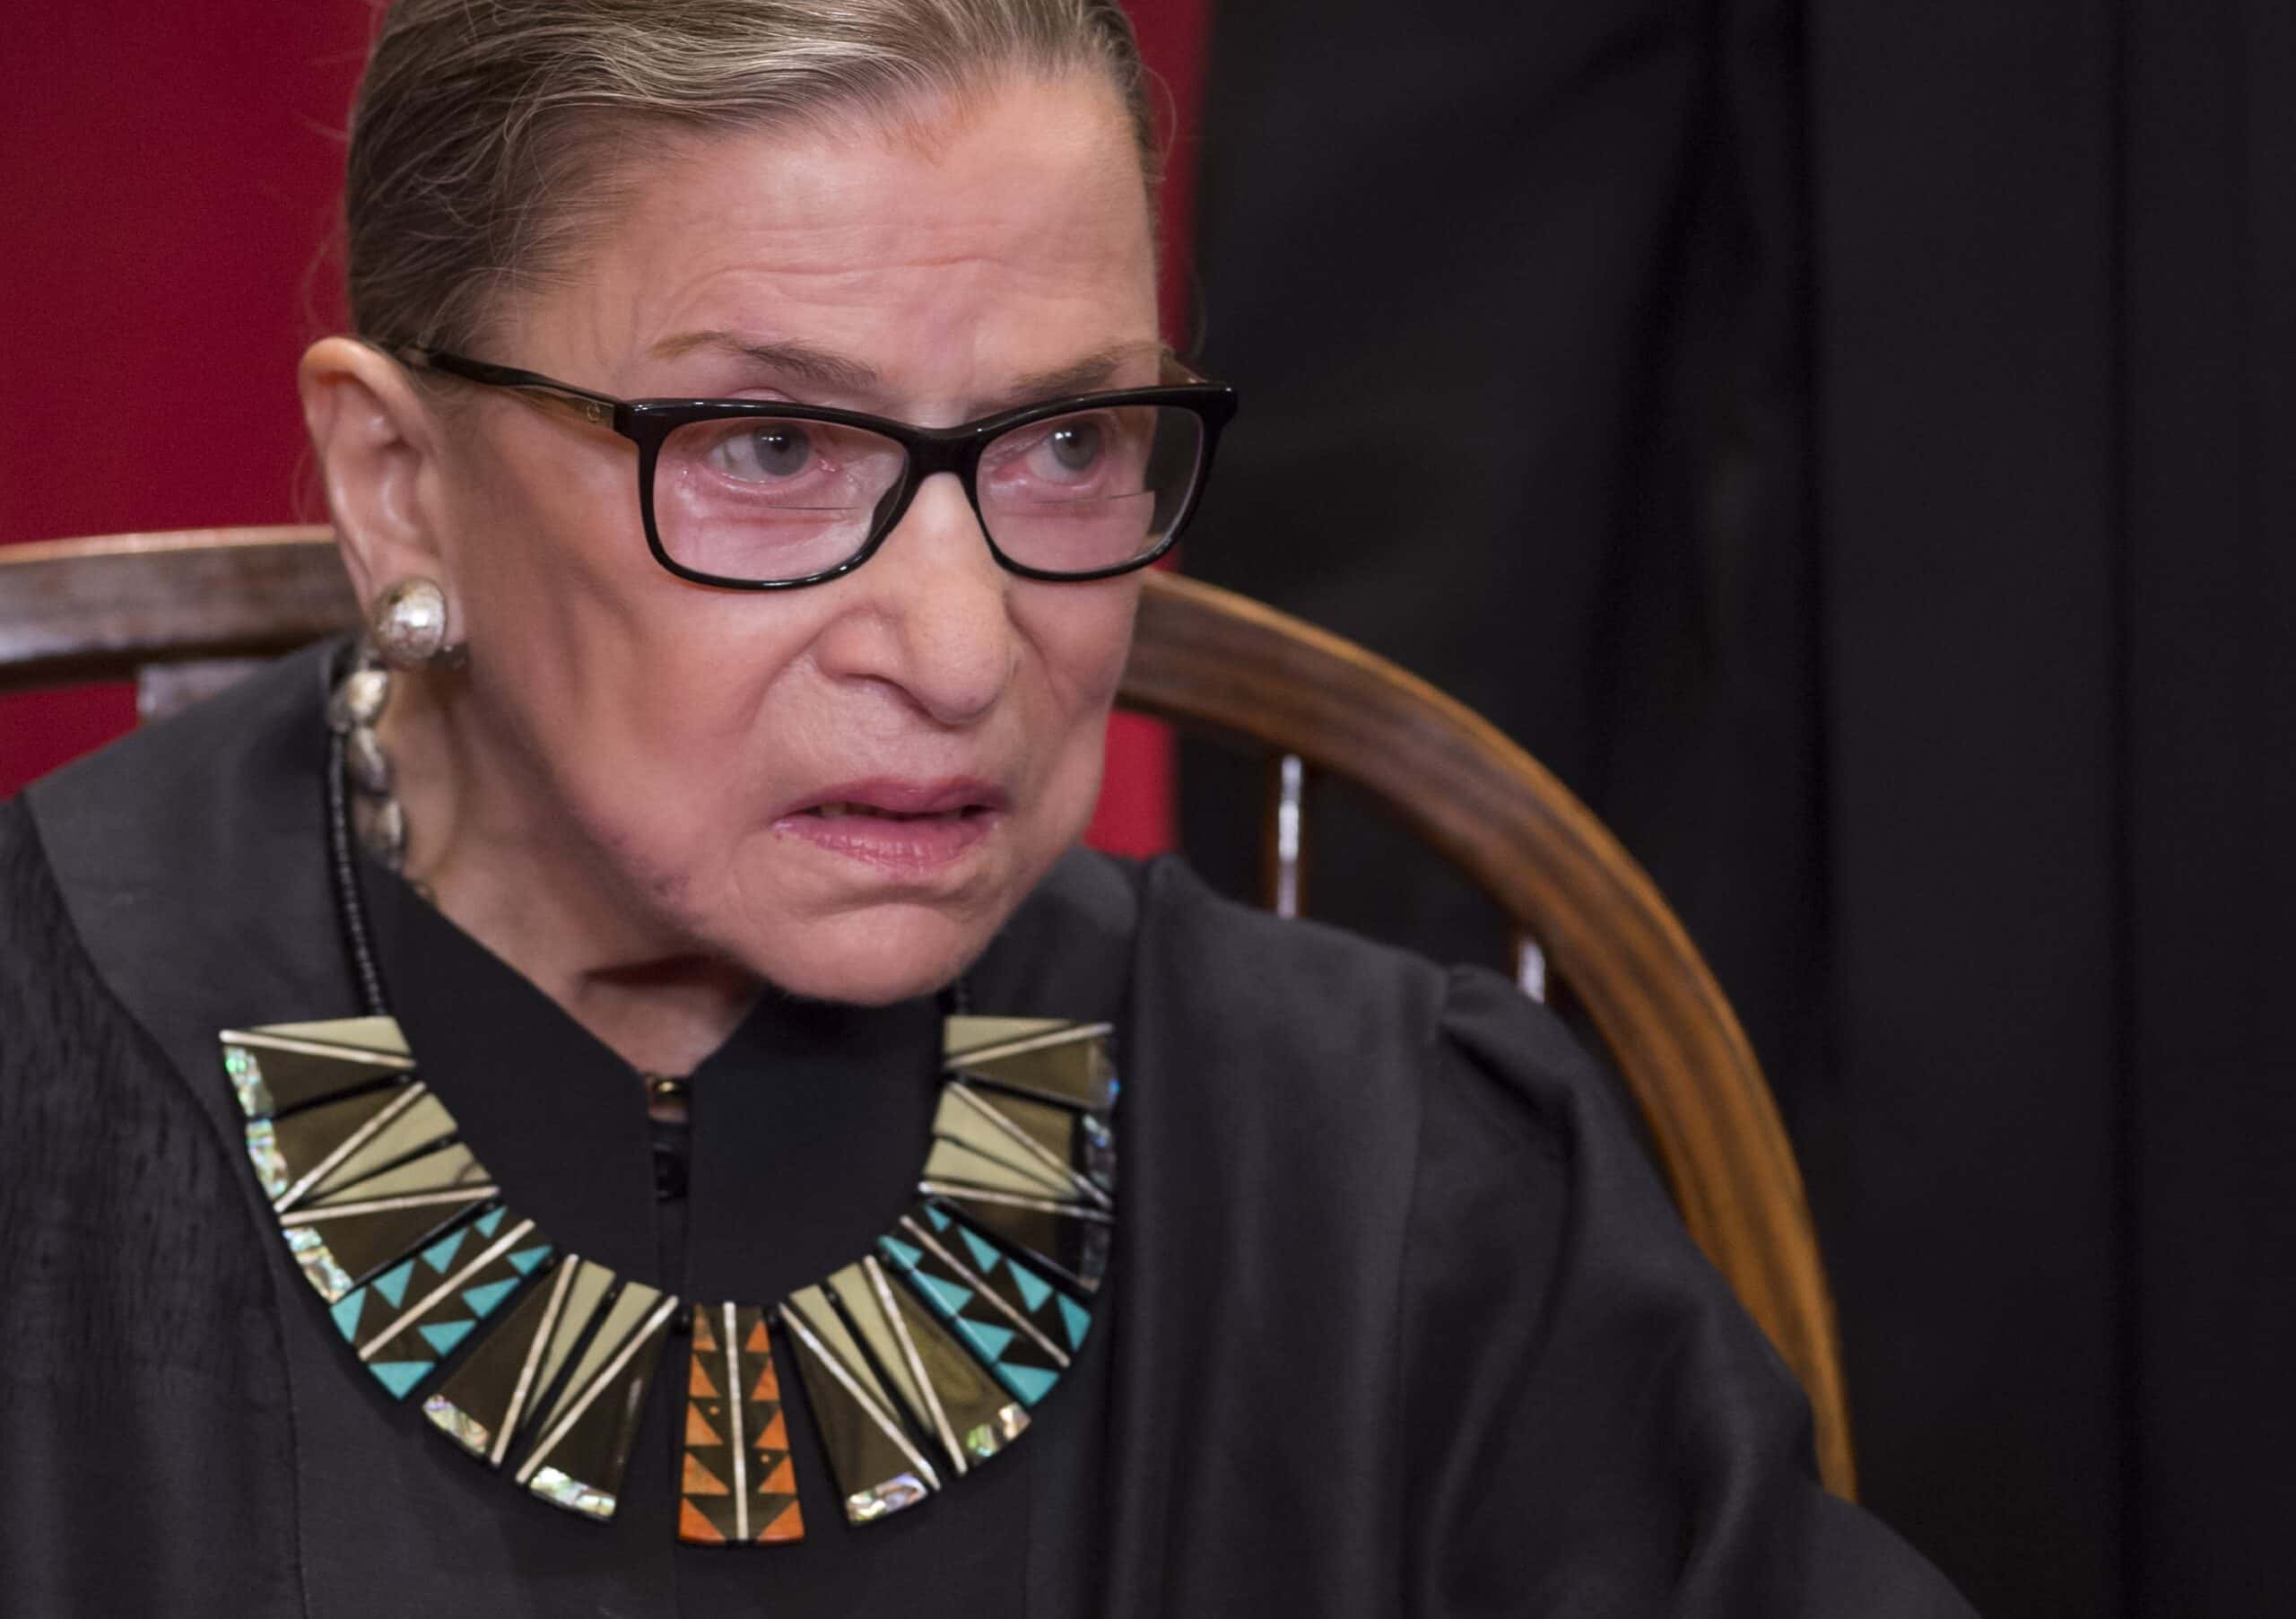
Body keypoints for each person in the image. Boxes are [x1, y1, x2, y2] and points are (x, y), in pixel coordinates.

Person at [0, 2, 1975, 1613]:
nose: (961, 649)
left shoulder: (1381, 1177)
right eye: (767, 445)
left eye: (1064, 445)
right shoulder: (49, 1117)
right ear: (398, 481)